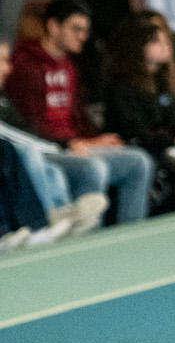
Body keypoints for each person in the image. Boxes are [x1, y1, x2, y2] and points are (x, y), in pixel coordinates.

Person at [5, 0, 154, 222]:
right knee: (92, 168)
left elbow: (78, 117)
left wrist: (95, 139)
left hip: (73, 144)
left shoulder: (69, 66)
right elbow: (30, 126)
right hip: (48, 149)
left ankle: (130, 234)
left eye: (85, 30)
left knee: (139, 162)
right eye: (76, 29)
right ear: (53, 26)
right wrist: (74, 143)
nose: (83, 36)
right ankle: (86, 238)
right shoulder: (25, 67)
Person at [104, 16, 175, 210]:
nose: (166, 46)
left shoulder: (165, 81)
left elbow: (174, 122)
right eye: (156, 41)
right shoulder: (122, 84)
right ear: (138, 46)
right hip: (136, 145)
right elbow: (134, 132)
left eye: (167, 41)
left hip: (163, 144)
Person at [0, 40, 107, 240]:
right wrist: (65, 146)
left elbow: (26, 130)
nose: (8, 68)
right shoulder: (28, 73)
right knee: (27, 152)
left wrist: (83, 140)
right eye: (2, 61)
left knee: (53, 171)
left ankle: (63, 218)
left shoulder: (3, 99)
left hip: (47, 148)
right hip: (42, 148)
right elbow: (11, 136)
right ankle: (45, 222)